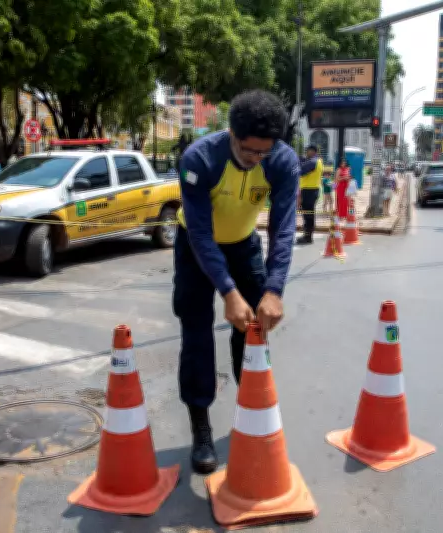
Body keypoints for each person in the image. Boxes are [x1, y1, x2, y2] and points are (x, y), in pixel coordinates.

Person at [174, 89, 298, 474]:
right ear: (232, 134)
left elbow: (283, 228)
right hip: (195, 247)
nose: (255, 159)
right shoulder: (199, 159)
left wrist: (274, 289)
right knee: (197, 334)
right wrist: (228, 291)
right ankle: (201, 426)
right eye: (248, 151)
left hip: (244, 244)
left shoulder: (282, 161)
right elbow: (200, 233)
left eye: (264, 152)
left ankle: (252, 411)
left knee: (254, 329)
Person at [296, 145, 323, 244]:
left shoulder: (313, 161)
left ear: (313, 152)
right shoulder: (317, 161)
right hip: (311, 190)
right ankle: (307, 235)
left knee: (308, 214)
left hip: (309, 191)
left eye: (308, 151)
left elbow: (300, 171)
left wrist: (298, 161)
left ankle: (308, 237)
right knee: (308, 214)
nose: (306, 153)